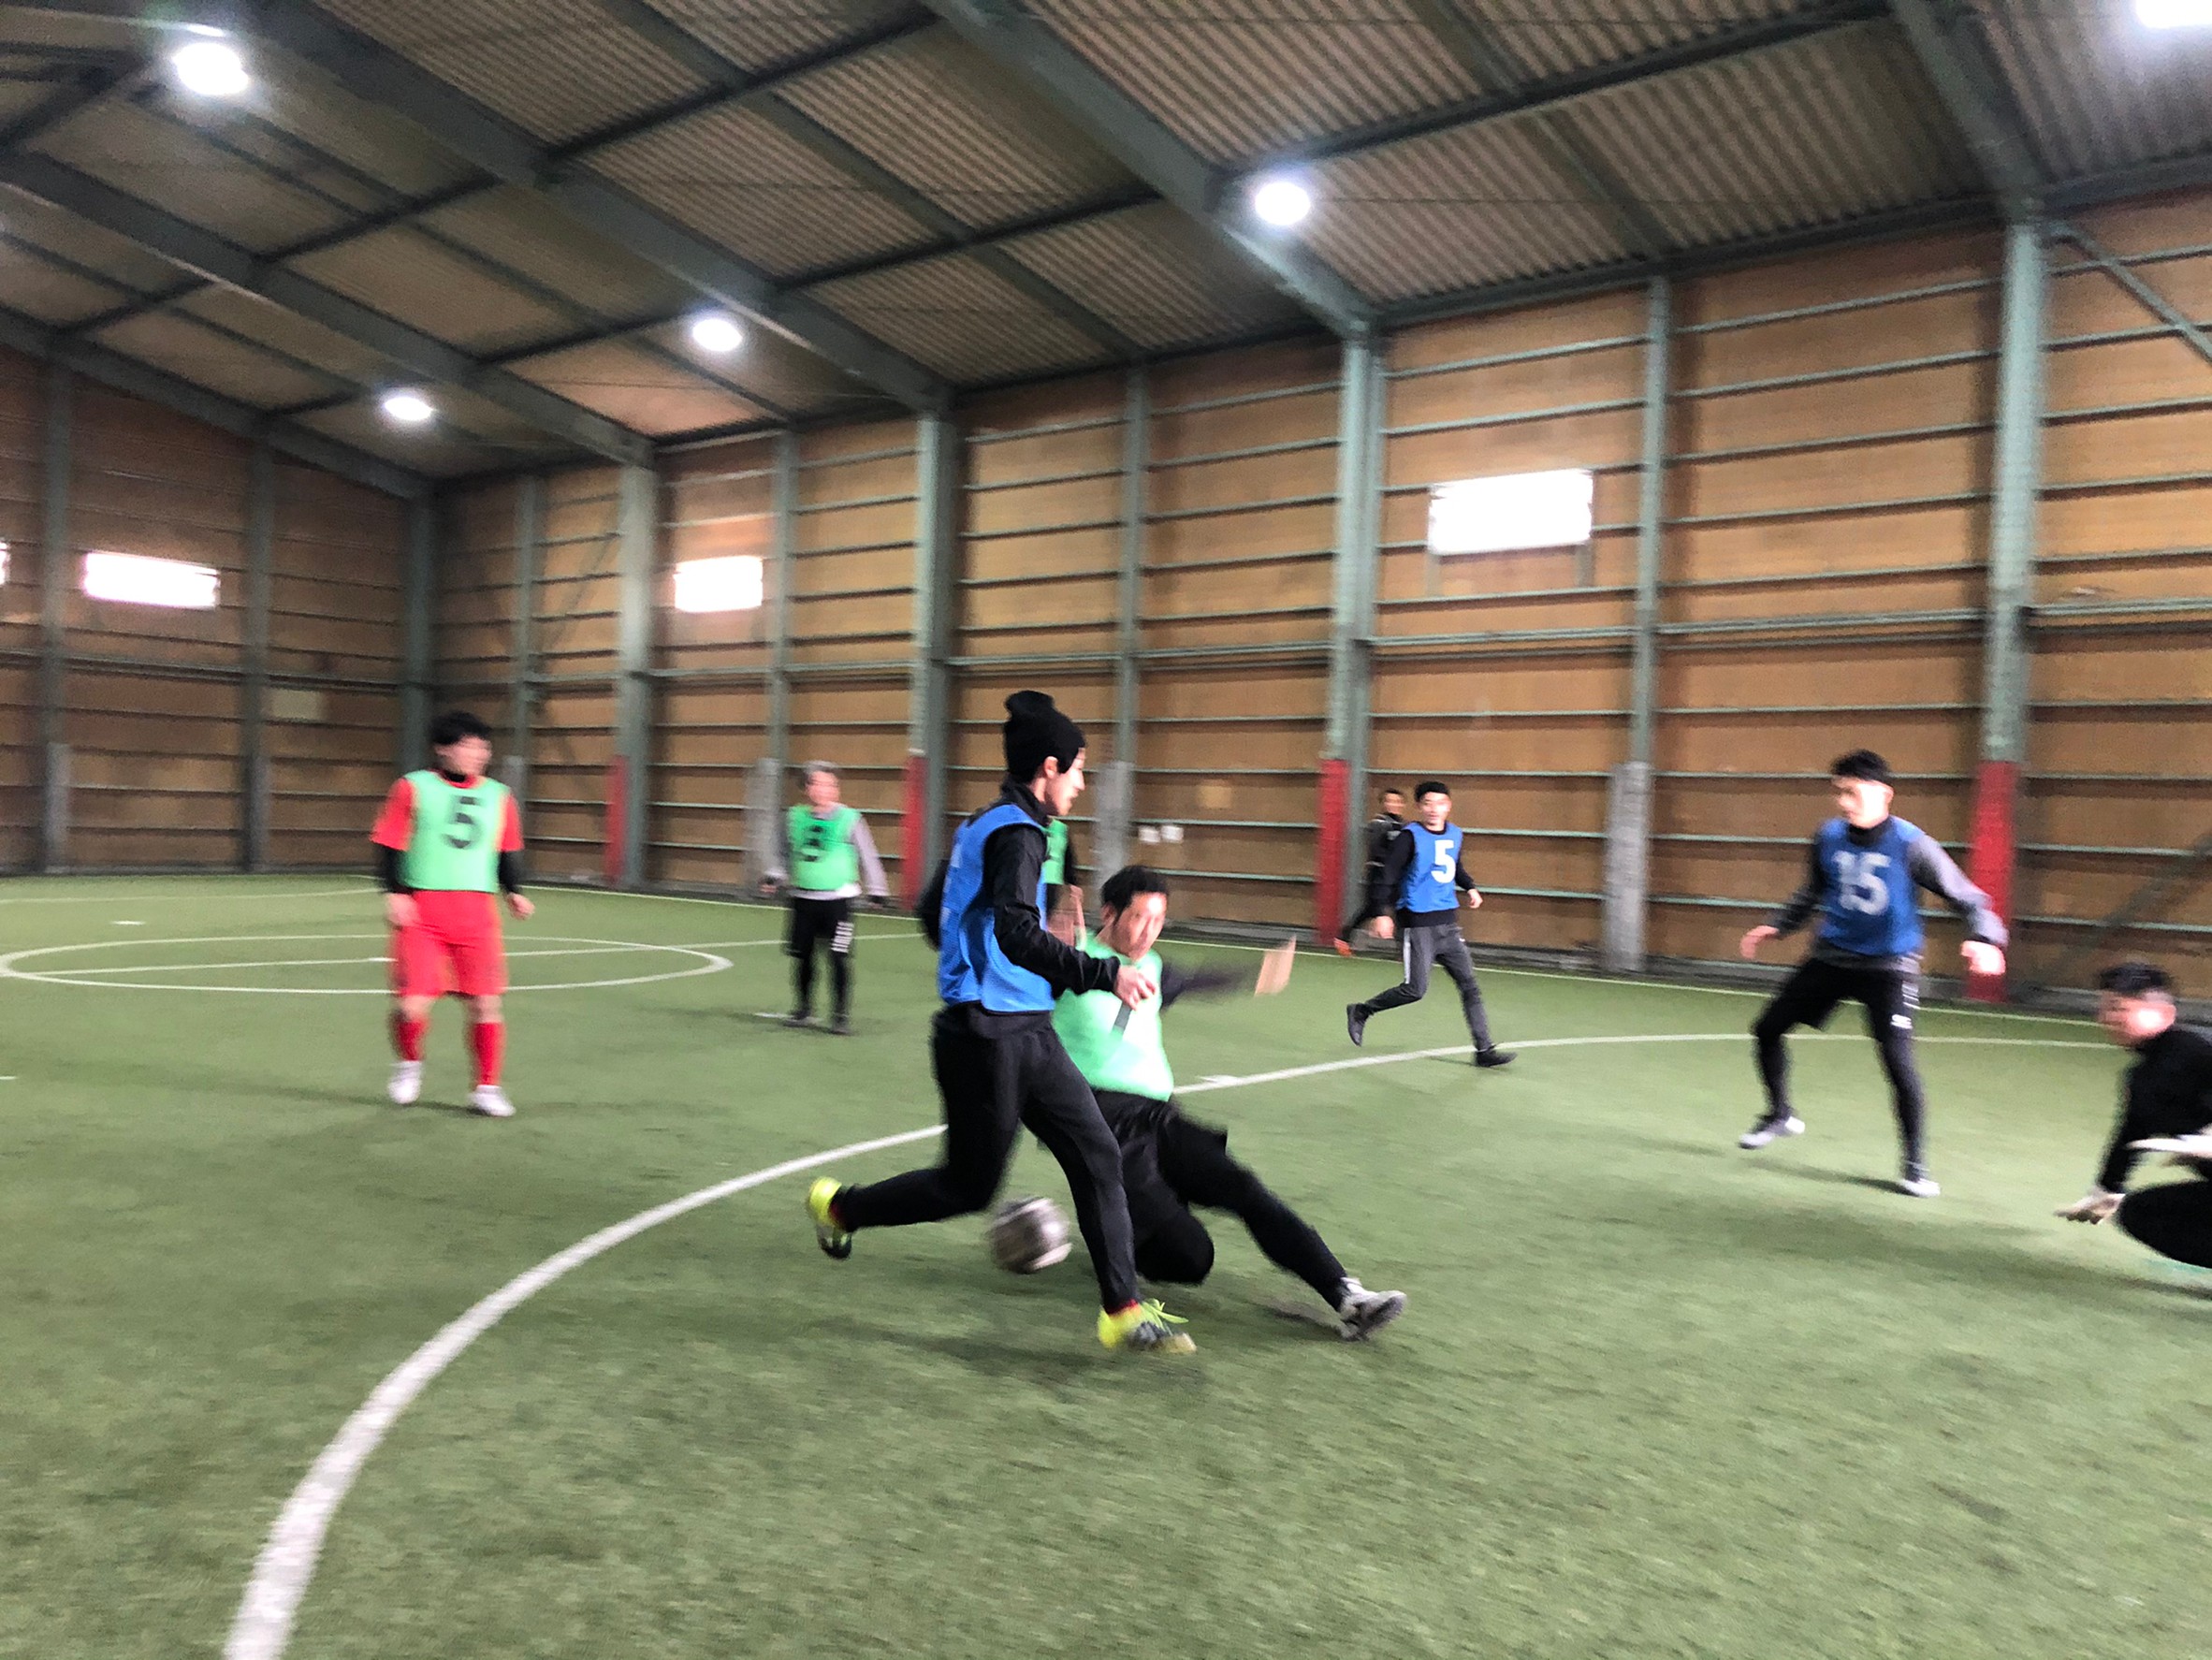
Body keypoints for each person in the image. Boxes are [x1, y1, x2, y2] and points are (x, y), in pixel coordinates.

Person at [804, 692, 1194, 1354]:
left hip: (1027, 1028)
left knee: (1097, 1152)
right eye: (1078, 770)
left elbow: (936, 913)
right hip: (985, 1037)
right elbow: (1014, 931)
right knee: (968, 1187)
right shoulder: (1019, 834)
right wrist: (1101, 973)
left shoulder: (985, 823)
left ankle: (1123, 1309)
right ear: (1049, 767)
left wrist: (983, 961)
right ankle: (841, 1207)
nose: (1081, 784)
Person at [1057, 866, 1407, 1339]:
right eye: (1138, 918)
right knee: (1192, 1258)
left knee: (1244, 1188)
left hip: (1162, 1118)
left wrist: (1258, 975)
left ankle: (1347, 1295)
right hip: (1106, 1125)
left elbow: (1196, 980)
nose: (1148, 932)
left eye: (1158, 920)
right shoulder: (1073, 960)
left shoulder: (1153, 967)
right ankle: (1115, 1237)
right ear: (1109, 913)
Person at [1737, 749, 2007, 1198]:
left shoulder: (1912, 844)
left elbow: (1969, 898)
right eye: (1838, 792)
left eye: (1853, 792)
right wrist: (1781, 925)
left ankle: (1915, 1165)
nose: (1844, 802)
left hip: (1888, 968)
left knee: (1898, 1064)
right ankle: (1780, 1114)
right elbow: (1814, 889)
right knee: (1767, 1029)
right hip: (1832, 957)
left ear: (1884, 793)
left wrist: (1987, 939)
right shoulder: (1827, 836)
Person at [370, 709, 534, 1117]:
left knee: (485, 1004)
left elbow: (505, 850)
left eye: (483, 747)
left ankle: (486, 1088)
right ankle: (409, 1064)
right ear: (443, 749)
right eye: (469, 746)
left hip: (477, 913)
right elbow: (388, 842)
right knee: (411, 1005)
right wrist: (395, 893)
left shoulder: (499, 796)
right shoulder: (412, 788)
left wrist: (514, 892)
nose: (479, 754)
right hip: (422, 911)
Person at [1345, 780, 1513, 1069]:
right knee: (1415, 990)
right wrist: (1381, 913)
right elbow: (1387, 876)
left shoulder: (1455, 834)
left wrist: (1470, 887)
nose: (1434, 809)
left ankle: (1484, 1050)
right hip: (1418, 925)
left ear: (1449, 806)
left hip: (1448, 924)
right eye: (1428, 804)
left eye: (1440, 803)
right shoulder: (1409, 838)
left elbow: (1454, 866)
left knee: (1470, 985)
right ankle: (1362, 1010)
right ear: (1419, 807)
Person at [2058, 960, 2212, 1270]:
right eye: (2104, 1008)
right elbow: (2131, 1133)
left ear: (2164, 1013)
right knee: (2140, 1213)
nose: (2106, 1018)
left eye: (2119, 1008)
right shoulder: (2142, 1076)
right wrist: (2106, 1190)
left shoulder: (2199, 1051)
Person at [762, 761, 889, 1035]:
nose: (825, 789)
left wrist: (877, 889)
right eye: (818, 784)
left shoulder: (850, 819)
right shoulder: (794, 817)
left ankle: (840, 1015)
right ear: (806, 788)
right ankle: (803, 1009)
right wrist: (774, 876)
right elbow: (782, 853)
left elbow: (867, 855)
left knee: (838, 957)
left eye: (830, 784)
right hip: (802, 899)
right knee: (803, 957)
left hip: (838, 902)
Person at [1334, 786, 1406, 955]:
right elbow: (1377, 850)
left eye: (1397, 801)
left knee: (1401, 909)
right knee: (1372, 909)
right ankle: (1344, 937)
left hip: (1398, 875)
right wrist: (1393, 861)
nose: (1393, 804)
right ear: (1383, 803)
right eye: (1389, 801)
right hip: (1379, 873)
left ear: (1402, 804)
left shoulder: (1405, 826)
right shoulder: (1378, 824)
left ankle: (1404, 948)